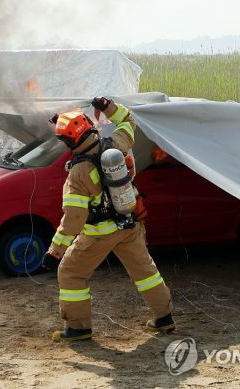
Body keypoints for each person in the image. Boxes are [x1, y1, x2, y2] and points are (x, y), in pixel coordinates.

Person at [42, 97, 175, 342]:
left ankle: (79, 328)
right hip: (130, 223)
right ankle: (164, 317)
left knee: (71, 273)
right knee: (146, 272)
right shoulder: (116, 144)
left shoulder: (78, 173)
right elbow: (128, 121)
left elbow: (74, 218)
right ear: (89, 127)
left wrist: (55, 251)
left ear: (70, 141)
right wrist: (108, 107)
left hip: (99, 233)